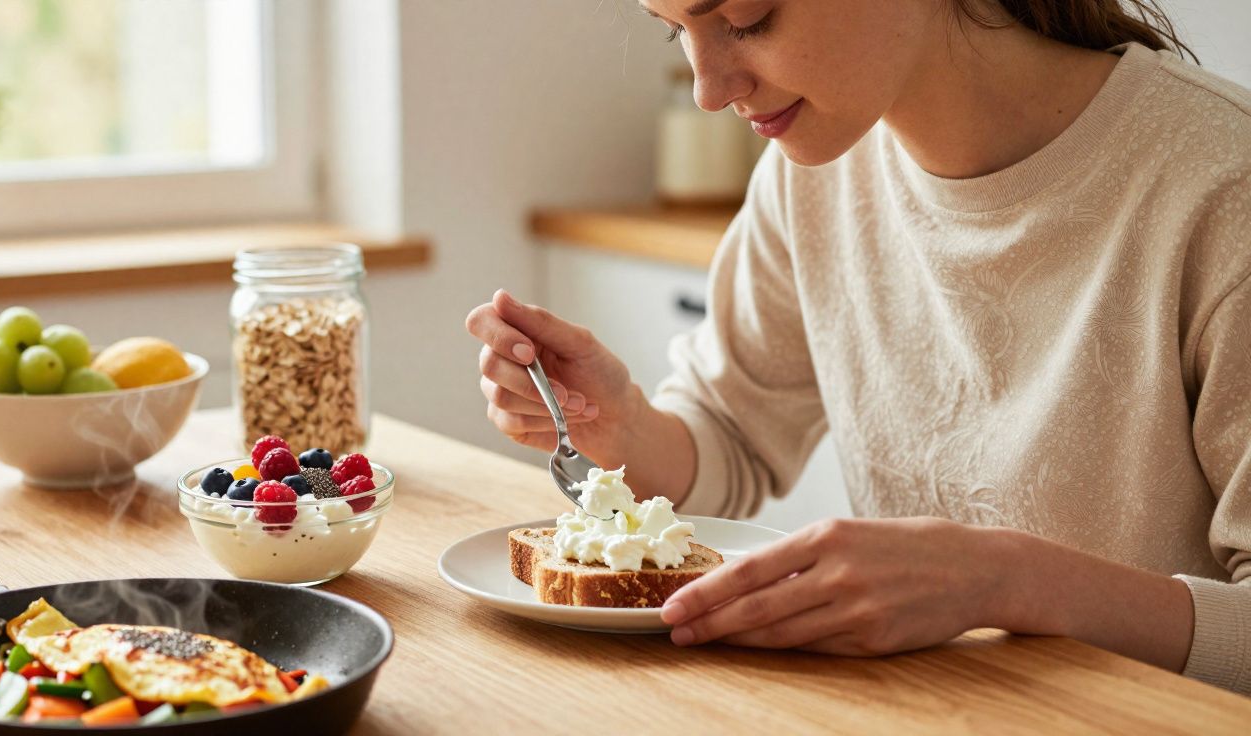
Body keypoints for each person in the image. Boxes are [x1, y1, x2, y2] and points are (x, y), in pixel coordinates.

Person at [466, 0, 1251, 693]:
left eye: (747, 19)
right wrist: (621, 428)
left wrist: (1007, 581)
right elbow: (730, 438)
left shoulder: (1224, 188)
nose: (709, 91)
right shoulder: (810, 175)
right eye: (678, 35)